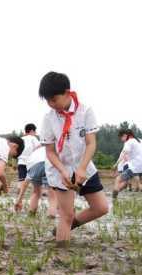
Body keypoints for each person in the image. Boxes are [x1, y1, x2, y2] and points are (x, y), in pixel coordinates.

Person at [38, 71, 108, 245]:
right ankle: (62, 251)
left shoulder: (85, 111)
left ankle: (70, 225)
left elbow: (91, 143)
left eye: (54, 99)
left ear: (67, 92)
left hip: (83, 165)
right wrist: (62, 170)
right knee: (66, 215)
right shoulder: (49, 118)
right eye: (47, 101)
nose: (51, 104)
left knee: (101, 208)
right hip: (59, 168)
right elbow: (50, 151)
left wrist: (82, 168)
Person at [14, 146, 57, 217]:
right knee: (52, 194)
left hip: (34, 166)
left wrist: (19, 200)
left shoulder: (32, 156)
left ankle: (31, 215)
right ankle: (51, 217)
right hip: (50, 162)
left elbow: (25, 183)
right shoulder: (51, 147)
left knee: (36, 192)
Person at [112, 129, 142, 199]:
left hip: (134, 166)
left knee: (118, 179)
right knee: (137, 183)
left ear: (125, 135)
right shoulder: (139, 140)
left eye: (121, 138)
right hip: (139, 166)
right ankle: (116, 192)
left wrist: (116, 164)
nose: (121, 140)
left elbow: (124, 153)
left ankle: (114, 197)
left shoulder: (129, 142)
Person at [17, 123, 41, 189]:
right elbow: (39, 147)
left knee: (21, 181)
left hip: (21, 162)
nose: (35, 133)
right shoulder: (33, 138)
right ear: (31, 131)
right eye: (35, 131)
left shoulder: (20, 139)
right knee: (34, 183)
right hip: (31, 163)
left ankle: (19, 197)